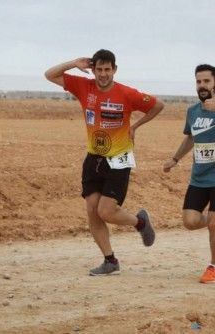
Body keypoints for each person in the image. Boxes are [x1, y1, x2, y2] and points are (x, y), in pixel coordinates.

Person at [45, 49, 164, 276]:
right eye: (98, 69)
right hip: (93, 160)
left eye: (107, 69)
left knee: (106, 212)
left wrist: (135, 126)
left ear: (114, 70)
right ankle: (110, 261)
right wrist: (74, 63)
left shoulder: (127, 93)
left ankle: (140, 222)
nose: (102, 74)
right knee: (92, 211)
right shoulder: (84, 87)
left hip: (118, 160)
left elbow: (158, 106)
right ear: (93, 69)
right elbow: (49, 75)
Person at [163, 64, 215, 283]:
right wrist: (175, 159)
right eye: (199, 82)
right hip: (199, 176)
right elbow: (191, 137)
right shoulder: (192, 111)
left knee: (211, 222)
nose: (202, 86)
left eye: (206, 81)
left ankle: (214, 267)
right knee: (190, 221)